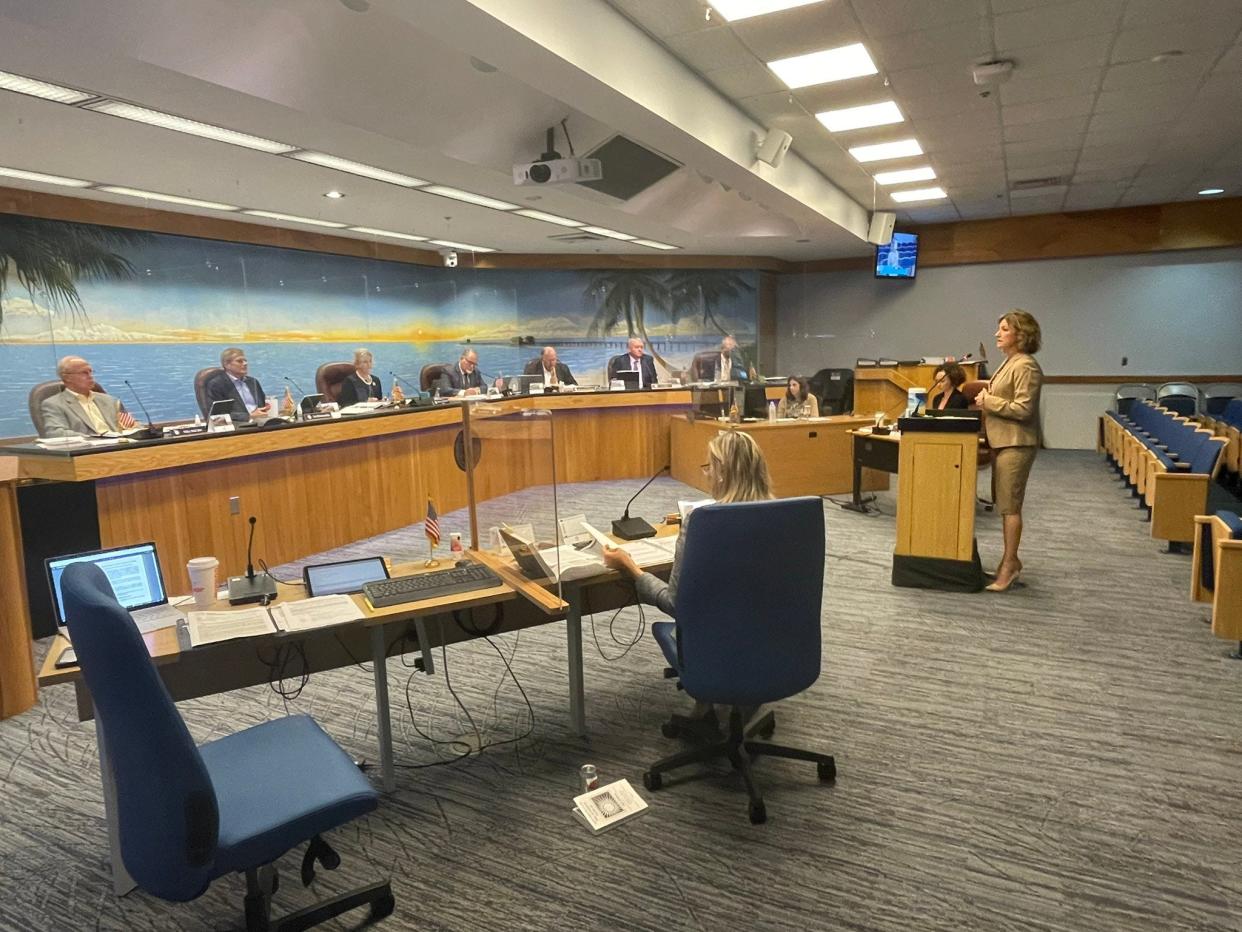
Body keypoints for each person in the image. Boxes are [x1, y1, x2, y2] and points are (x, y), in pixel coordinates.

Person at [602, 430, 774, 725]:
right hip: (774, 639)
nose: (707, 475)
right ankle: (717, 704)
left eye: (709, 467)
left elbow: (677, 604)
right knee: (728, 607)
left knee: (700, 618)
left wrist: (630, 568)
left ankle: (707, 701)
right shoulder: (785, 516)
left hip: (717, 641)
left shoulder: (702, 522)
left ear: (721, 473)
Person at [976, 310, 1044, 593]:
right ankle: (1010, 560)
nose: (997, 334)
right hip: (1001, 441)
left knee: (1010, 506)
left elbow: (1024, 409)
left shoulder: (1026, 365)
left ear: (1021, 334)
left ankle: (1009, 565)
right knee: (1004, 503)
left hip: (1017, 443)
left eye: (1004, 329)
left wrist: (988, 401)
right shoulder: (1010, 362)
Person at [39, 355, 136, 438]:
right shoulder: (54, 404)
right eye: (84, 373)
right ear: (67, 377)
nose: (90, 376)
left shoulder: (110, 400)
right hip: (87, 452)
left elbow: (131, 425)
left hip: (119, 448)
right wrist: (94, 439)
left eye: (91, 372)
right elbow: (55, 433)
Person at [205, 348, 270, 423]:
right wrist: (249, 416)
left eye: (245, 360)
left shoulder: (253, 382)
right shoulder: (217, 385)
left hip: (261, 423)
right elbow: (218, 415)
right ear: (227, 365)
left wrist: (267, 407)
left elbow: (262, 406)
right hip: (238, 427)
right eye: (240, 361)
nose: (245, 363)